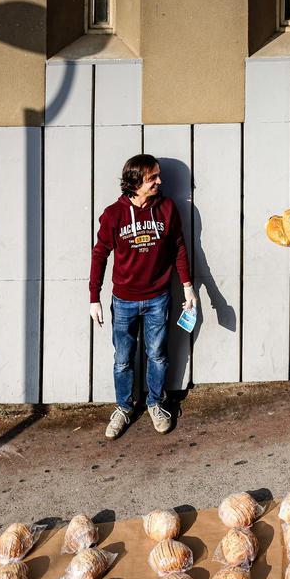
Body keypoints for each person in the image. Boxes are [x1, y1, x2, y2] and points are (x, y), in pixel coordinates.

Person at [89, 154, 195, 439]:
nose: (160, 182)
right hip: (123, 300)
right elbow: (100, 255)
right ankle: (124, 407)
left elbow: (178, 247)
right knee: (123, 358)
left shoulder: (167, 208)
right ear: (135, 182)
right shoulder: (114, 214)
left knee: (158, 356)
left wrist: (187, 285)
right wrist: (94, 297)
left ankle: (155, 403)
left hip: (158, 298)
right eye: (153, 178)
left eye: (158, 176)